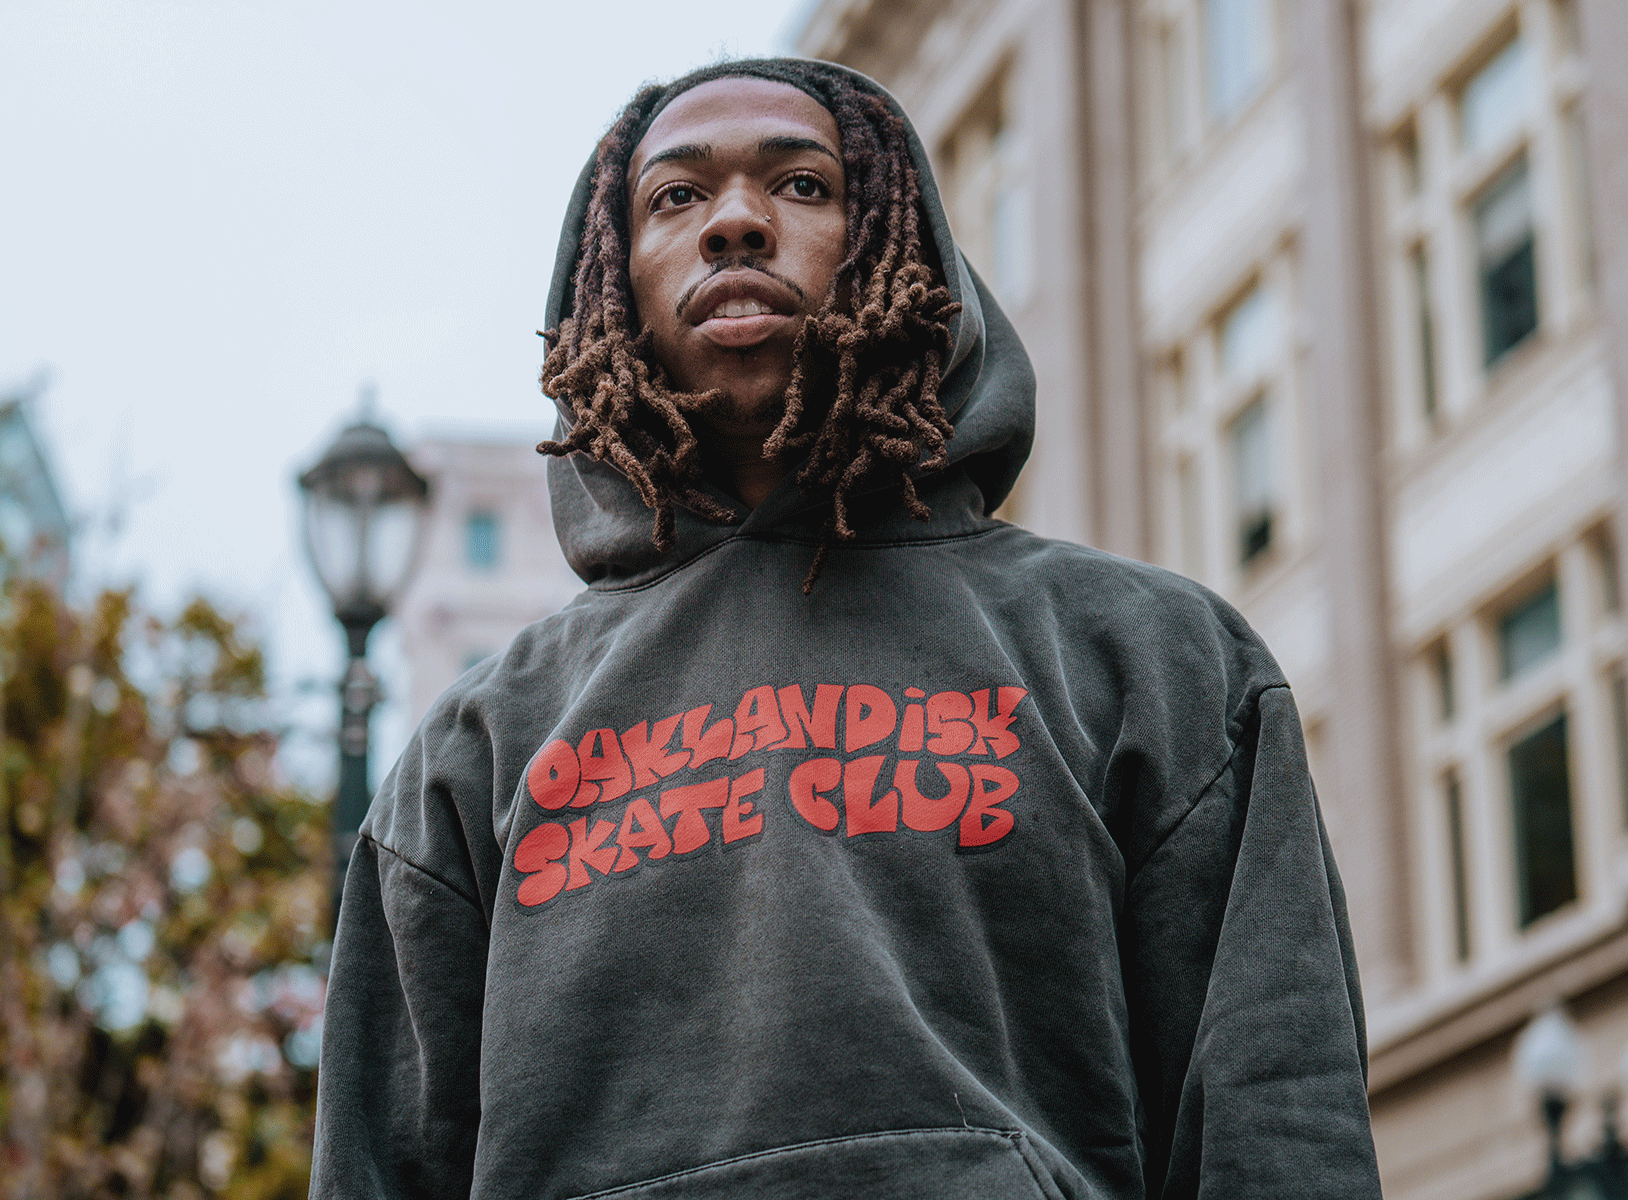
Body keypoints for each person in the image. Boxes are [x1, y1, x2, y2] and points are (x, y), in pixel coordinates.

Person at [310, 57, 1381, 1200]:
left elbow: (1277, 1122)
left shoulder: (1150, 659)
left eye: (803, 185)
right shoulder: (477, 750)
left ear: (898, 247)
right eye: (675, 197)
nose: (734, 221)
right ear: (606, 285)